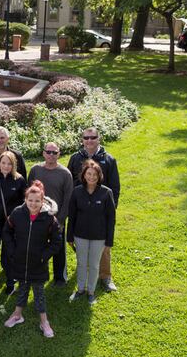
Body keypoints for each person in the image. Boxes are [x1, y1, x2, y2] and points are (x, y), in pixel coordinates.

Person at [2, 181, 62, 338]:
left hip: (38, 263)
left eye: (37, 201)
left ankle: (44, 321)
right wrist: (13, 250)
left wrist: (44, 255)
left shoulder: (49, 219)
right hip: (21, 261)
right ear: (25, 199)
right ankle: (17, 315)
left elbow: (56, 241)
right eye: (30, 200)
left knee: (39, 292)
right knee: (22, 288)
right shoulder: (17, 213)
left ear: (42, 201)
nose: (33, 204)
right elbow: (7, 231)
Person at [67, 127, 121, 292]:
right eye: (86, 137)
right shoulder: (76, 158)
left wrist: (111, 209)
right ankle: (84, 273)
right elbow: (71, 185)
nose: (89, 140)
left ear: (99, 138)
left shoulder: (108, 160)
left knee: (104, 246)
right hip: (81, 210)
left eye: (93, 137)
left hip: (101, 211)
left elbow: (115, 187)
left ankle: (105, 276)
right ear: (82, 139)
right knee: (82, 243)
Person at [68, 160, 116, 305]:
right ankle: (80, 289)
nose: (92, 177)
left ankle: (91, 291)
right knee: (82, 263)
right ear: (84, 175)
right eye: (89, 174)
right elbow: (72, 216)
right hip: (80, 235)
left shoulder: (106, 193)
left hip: (99, 237)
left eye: (95, 174)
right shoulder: (76, 192)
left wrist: (109, 241)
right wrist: (69, 236)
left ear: (99, 176)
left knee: (94, 265)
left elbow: (111, 219)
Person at [28, 142, 74, 287]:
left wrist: (60, 220)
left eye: (54, 152)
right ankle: (37, 274)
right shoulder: (35, 170)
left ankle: (60, 277)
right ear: (43, 153)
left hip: (57, 219)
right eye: (48, 152)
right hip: (38, 216)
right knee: (38, 246)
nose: (51, 155)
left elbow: (68, 199)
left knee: (58, 248)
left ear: (59, 154)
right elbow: (29, 193)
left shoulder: (65, 173)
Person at [0, 151, 27, 294]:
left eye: (9, 163)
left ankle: (10, 282)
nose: (6, 166)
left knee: (9, 253)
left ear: (14, 165)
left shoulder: (19, 180)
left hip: (11, 223)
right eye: (3, 163)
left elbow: (24, 202)